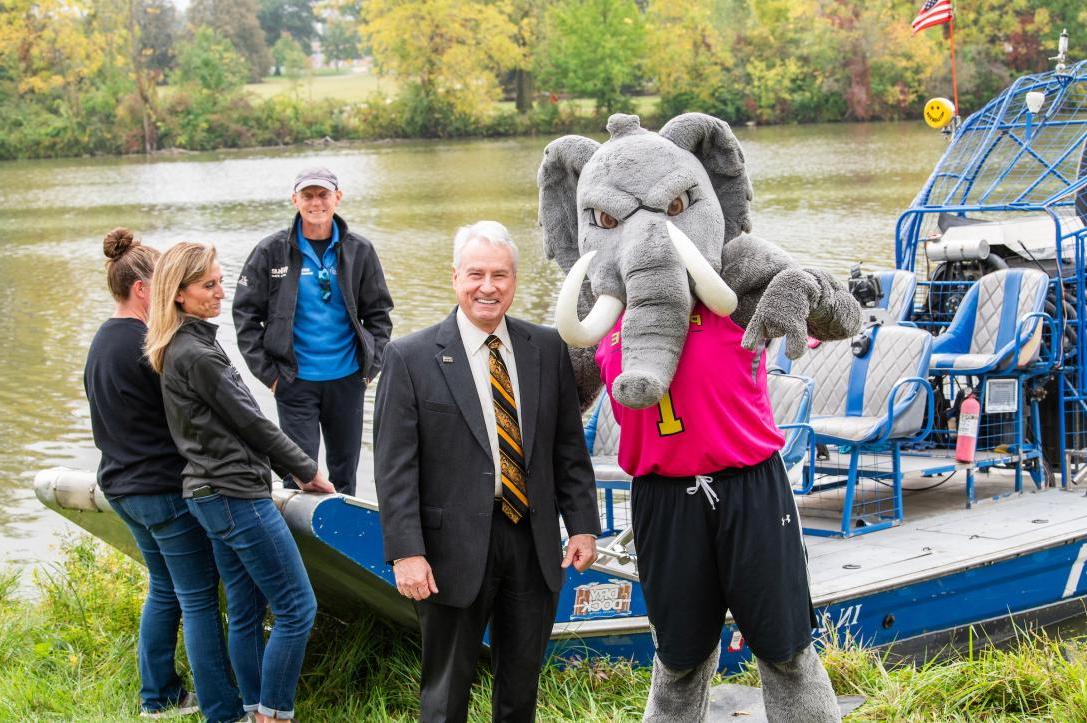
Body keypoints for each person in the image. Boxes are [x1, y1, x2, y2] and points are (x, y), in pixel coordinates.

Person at [374, 221, 601, 722]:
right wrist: (406, 553)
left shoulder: (546, 348)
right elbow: (393, 470)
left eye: (500, 275)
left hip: (532, 541)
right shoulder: (409, 358)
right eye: (476, 273)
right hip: (449, 549)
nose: (488, 286)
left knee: (520, 690)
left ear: (514, 281)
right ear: (456, 277)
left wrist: (582, 522)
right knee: (445, 691)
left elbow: (568, 447)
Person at [146, 242, 335, 723]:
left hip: (210, 495)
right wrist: (307, 470)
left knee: (248, 608)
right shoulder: (197, 354)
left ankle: (251, 710)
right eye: (208, 285)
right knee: (297, 608)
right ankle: (273, 714)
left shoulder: (185, 345)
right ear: (179, 295)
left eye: (219, 280)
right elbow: (254, 422)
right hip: (233, 495)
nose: (220, 292)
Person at [83, 228, 246, 723]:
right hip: (161, 490)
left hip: (121, 486)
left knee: (165, 588)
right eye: (162, 284)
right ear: (141, 290)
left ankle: (158, 697)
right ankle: (223, 708)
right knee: (198, 599)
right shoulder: (147, 346)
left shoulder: (102, 340)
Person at [234, 166, 393, 496]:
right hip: (295, 383)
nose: (316, 202)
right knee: (299, 475)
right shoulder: (270, 251)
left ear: (338, 197)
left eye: (323, 194)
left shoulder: (359, 250)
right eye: (308, 195)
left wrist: (369, 370)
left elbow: (379, 315)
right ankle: (300, 546)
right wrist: (272, 377)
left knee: (345, 473)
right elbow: (245, 316)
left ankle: (343, 543)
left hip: (348, 380)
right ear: (295, 199)